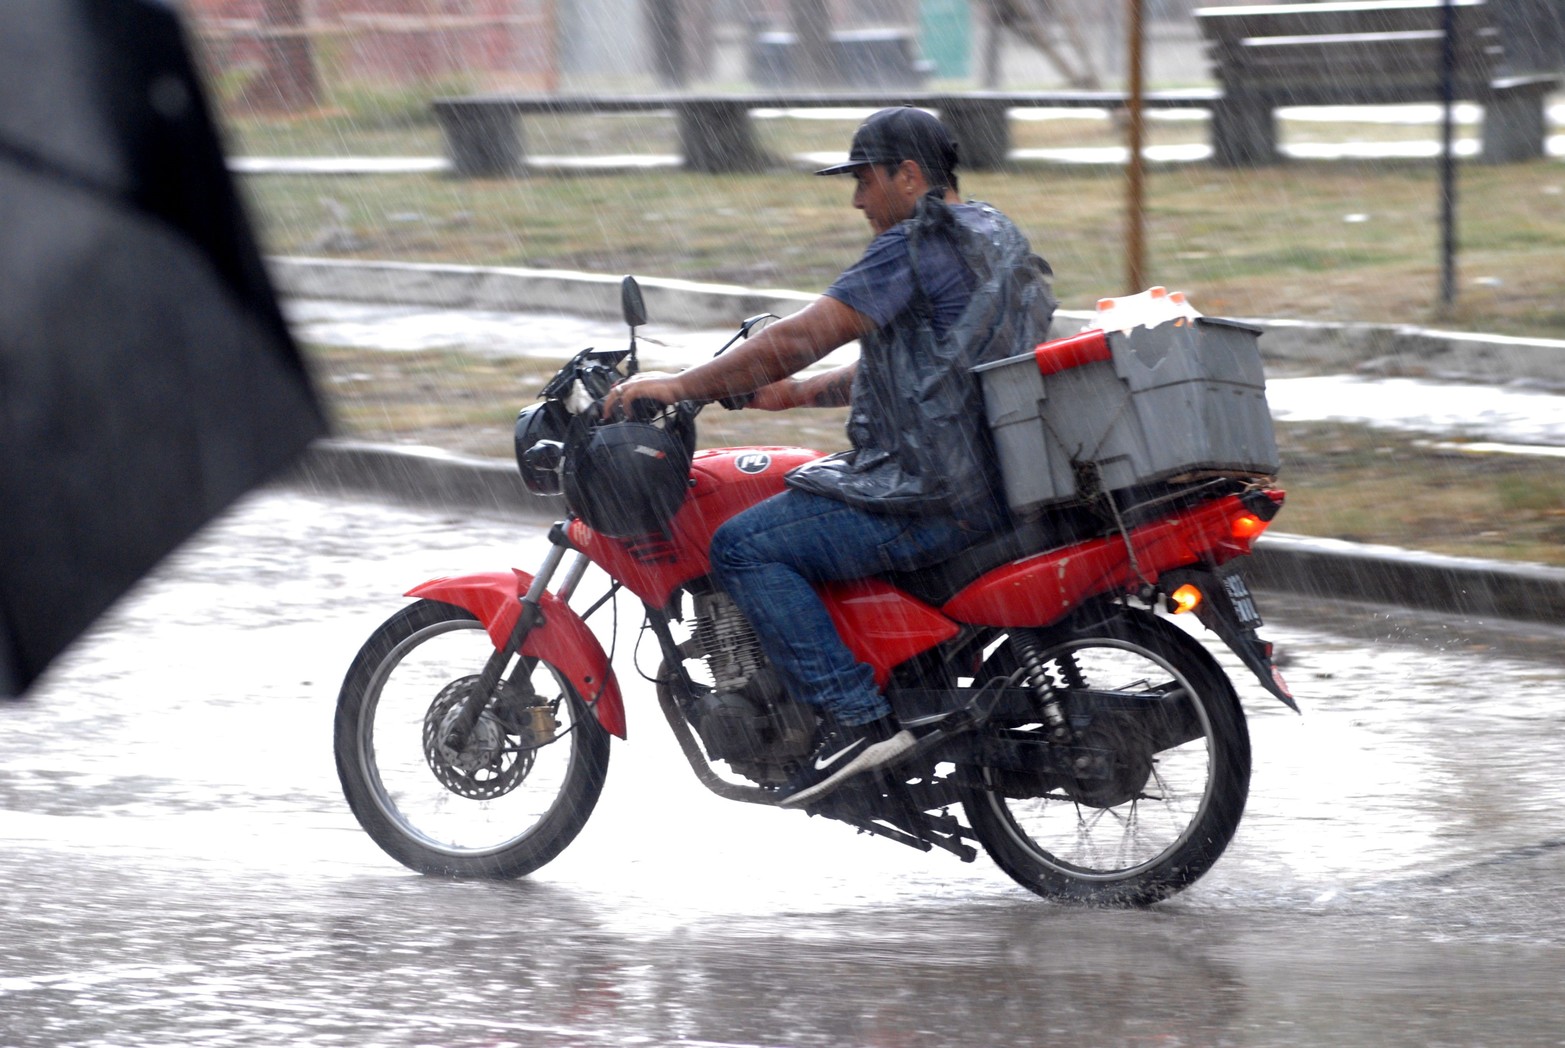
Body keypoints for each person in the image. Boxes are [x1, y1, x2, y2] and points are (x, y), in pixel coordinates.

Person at [601, 106, 1055, 808]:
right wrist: (796, 396)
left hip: (926, 490)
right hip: (991, 478)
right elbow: (930, 372)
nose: (856, 200)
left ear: (909, 176)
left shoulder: (913, 242)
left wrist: (681, 384)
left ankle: (855, 720)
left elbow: (803, 334)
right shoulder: (996, 236)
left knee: (744, 548)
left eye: (865, 180)